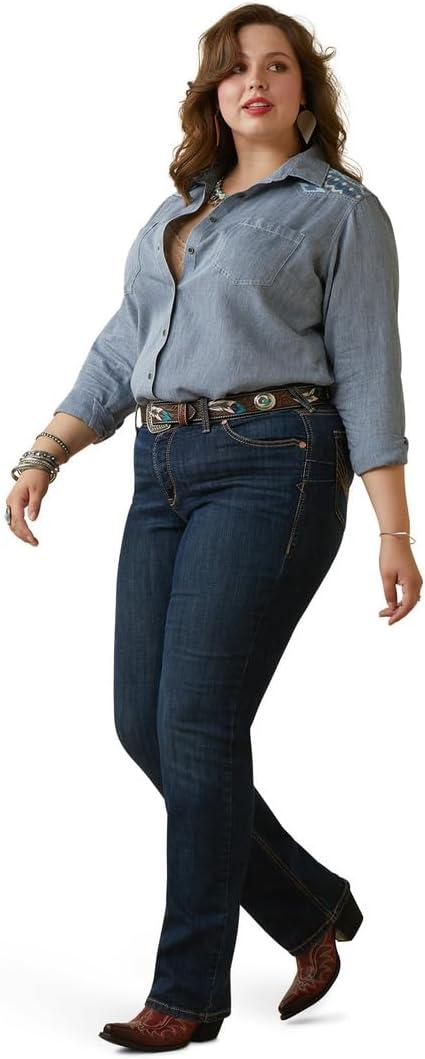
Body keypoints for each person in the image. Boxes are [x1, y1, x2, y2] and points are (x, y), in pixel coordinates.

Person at [5, 4, 423, 1052]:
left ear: (304, 90)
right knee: (145, 725)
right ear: (212, 93)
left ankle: (187, 991)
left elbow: (369, 369)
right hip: (160, 470)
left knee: (195, 721)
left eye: (276, 66)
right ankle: (308, 904)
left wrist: (392, 531)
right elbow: (122, 348)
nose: (255, 82)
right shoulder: (177, 212)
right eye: (235, 68)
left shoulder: (339, 212)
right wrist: (48, 450)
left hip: (275, 464)